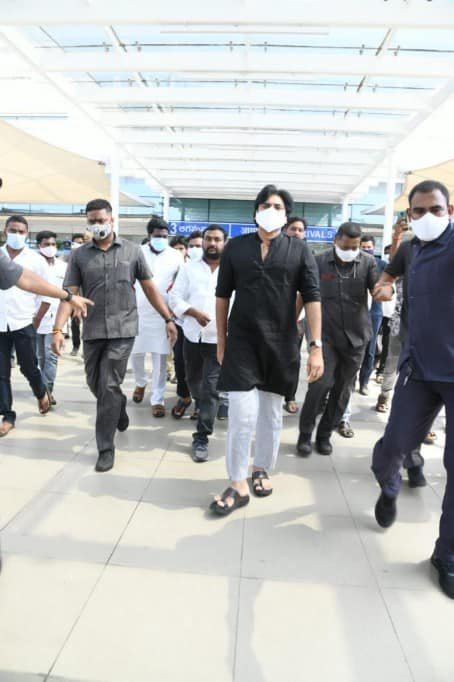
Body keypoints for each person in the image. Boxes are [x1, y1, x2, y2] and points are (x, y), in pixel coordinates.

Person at [211, 184, 322, 516]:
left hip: (281, 342)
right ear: (256, 210)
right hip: (242, 341)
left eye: (277, 205)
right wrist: (221, 340)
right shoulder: (236, 248)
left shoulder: (300, 251)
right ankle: (236, 482)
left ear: (286, 214)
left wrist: (316, 347)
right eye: (265, 204)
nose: (270, 209)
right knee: (242, 414)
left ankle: (261, 468)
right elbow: (222, 296)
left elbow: (314, 299)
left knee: (271, 415)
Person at [371, 180, 454, 599]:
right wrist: (384, 285)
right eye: (417, 211)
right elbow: (386, 275)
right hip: (418, 369)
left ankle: (448, 554)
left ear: (449, 208)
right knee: (391, 448)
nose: (426, 218)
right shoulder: (409, 247)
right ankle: (388, 485)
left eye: (434, 210)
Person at [52, 199, 177, 473]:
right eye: (92, 220)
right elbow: (68, 294)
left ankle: (105, 448)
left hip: (123, 330)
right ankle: (118, 406)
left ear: (111, 220)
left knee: (108, 384)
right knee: (97, 384)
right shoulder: (80, 255)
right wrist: (58, 329)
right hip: (93, 330)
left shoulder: (133, 252)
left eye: (100, 220)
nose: (96, 225)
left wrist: (168, 318)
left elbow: (149, 288)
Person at [297, 222, 379, 457]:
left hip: (357, 337)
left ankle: (324, 435)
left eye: (355, 246)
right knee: (319, 385)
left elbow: (377, 290)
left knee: (343, 389)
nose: (351, 250)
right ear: (336, 240)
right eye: (346, 245)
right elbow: (305, 294)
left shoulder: (367, 262)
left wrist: (386, 290)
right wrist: (292, 322)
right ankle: (305, 434)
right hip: (325, 336)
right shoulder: (318, 261)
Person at [170, 225, 226, 461]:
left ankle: (201, 436)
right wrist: (192, 312)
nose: (212, 243)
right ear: (202, 242)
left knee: (211, 387)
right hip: (192, 335)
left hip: (219, 338)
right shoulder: (188, 269)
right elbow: (175, 297)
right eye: (208, 239)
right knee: (193, 382)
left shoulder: (232, 270)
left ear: (225, 242)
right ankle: (204, 404)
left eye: (217, 239)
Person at [0, 215, 54, 436]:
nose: (17, 235)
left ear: (27, 233)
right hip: (0, 324)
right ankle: (7, 415)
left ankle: (41, 392)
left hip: (24, 322)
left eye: (22, 232)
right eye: (13, 230)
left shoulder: (35, 259)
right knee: (1, 373)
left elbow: (47, 293)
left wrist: (37, 319)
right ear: (5, 230)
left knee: (28, 366)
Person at [130, 216, 182, 417]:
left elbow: (179, 281)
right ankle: (141, 382)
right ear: (149, 235)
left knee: (160, 357)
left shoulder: (176, 256)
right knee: (136, 353)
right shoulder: (137, 253)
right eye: (157, 236)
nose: (161, 239)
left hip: (163, 314)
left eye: (164, 236)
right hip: (138, 311)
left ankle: (157, 399)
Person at [35, 230, 67, 405]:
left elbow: (69, 291)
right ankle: (43, 390)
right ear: (39, 245)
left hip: (57, 317)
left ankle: (47, 391)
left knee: (52, 355)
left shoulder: (63, 267)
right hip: (34, 316)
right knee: (40, 357)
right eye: (46, 244)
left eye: (53, 244)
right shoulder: (32, 264)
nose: (50, 247)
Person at [282, 215, 307, 413]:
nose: (296, 232)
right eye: (293, 229)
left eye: (300, 229)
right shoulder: (276, 253)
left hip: (296, 320)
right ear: (284, 230)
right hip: (271, 317)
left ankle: (289, 395)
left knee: (292, 358)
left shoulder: (308, 257)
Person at [357, 235, 387, 396]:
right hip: (356, 312)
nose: (366, 249)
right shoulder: (355, 264)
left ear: (374, 248)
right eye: (364, 247)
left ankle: (364, 382)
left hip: (374, 312)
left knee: (370, 349)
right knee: (354, 348)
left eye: (369, 247)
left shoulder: (382, 264)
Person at [168, 236, 192, 419]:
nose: (196, 249)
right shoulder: (183, 270)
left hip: (209, 326)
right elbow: (173, 296)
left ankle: (202, 402)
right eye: (193, 246)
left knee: (205, 367)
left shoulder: (223, 269)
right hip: (182, 322)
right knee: (181, 362)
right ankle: (184, 397)